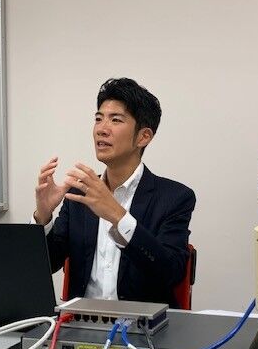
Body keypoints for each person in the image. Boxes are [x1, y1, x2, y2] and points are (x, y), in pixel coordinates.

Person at [34, 78, 196, 307]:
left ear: (143, 136)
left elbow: (171, 272)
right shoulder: (79, 194)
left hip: (141, 324)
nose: (102, 129)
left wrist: (118, 216)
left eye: (115, 119)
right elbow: (48, 264)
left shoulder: (174, 197)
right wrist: (43, 217)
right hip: (79, 322)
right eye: (98, 119)